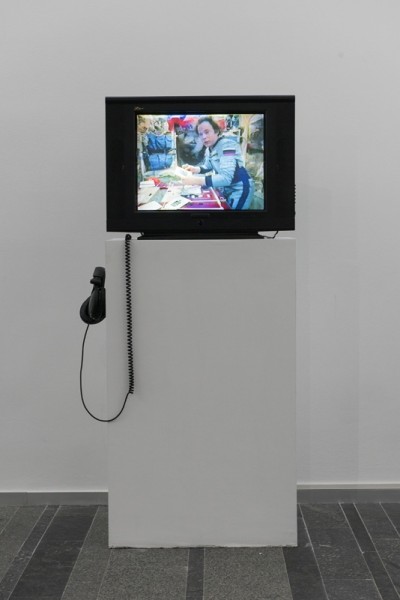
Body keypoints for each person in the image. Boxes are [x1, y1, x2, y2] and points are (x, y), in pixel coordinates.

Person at [181, 116, 254, 210]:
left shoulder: (228, 146)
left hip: (240, 188)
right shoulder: (209, 149)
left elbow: (226, 178)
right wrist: (194, 169)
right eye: (200, 134)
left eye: (207, 132)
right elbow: (207, 166)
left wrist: (196, 180)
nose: (204, 137)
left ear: (216, 131)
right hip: (227, 187)